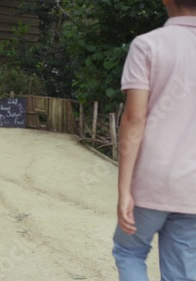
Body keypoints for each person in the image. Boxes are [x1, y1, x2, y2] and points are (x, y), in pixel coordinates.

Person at [112, 1, 196, 280]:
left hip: (151, 180)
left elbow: (135, 118)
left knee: (130, 253)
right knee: (183, 272)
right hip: (192, 189)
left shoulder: (147, 45)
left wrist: (124, 190)